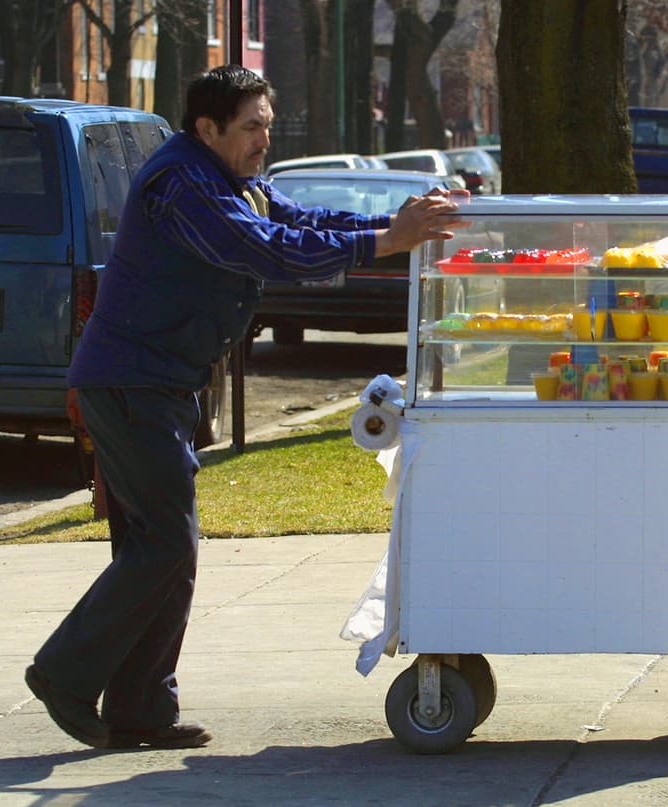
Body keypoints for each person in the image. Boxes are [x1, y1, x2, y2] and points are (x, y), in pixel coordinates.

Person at [25, 65, 466, 750]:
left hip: (161, 381)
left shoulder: (233, 180)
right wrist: (388, 240)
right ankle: (63, 673)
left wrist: (400, 223)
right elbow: (261, 247)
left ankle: (141, 710)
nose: (266, 138)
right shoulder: (182, 186)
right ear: (208, 129)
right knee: (165, 544)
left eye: (268, 122)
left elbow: (304, 220)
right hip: (129, 382)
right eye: (253, 126)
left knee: (166, 549)